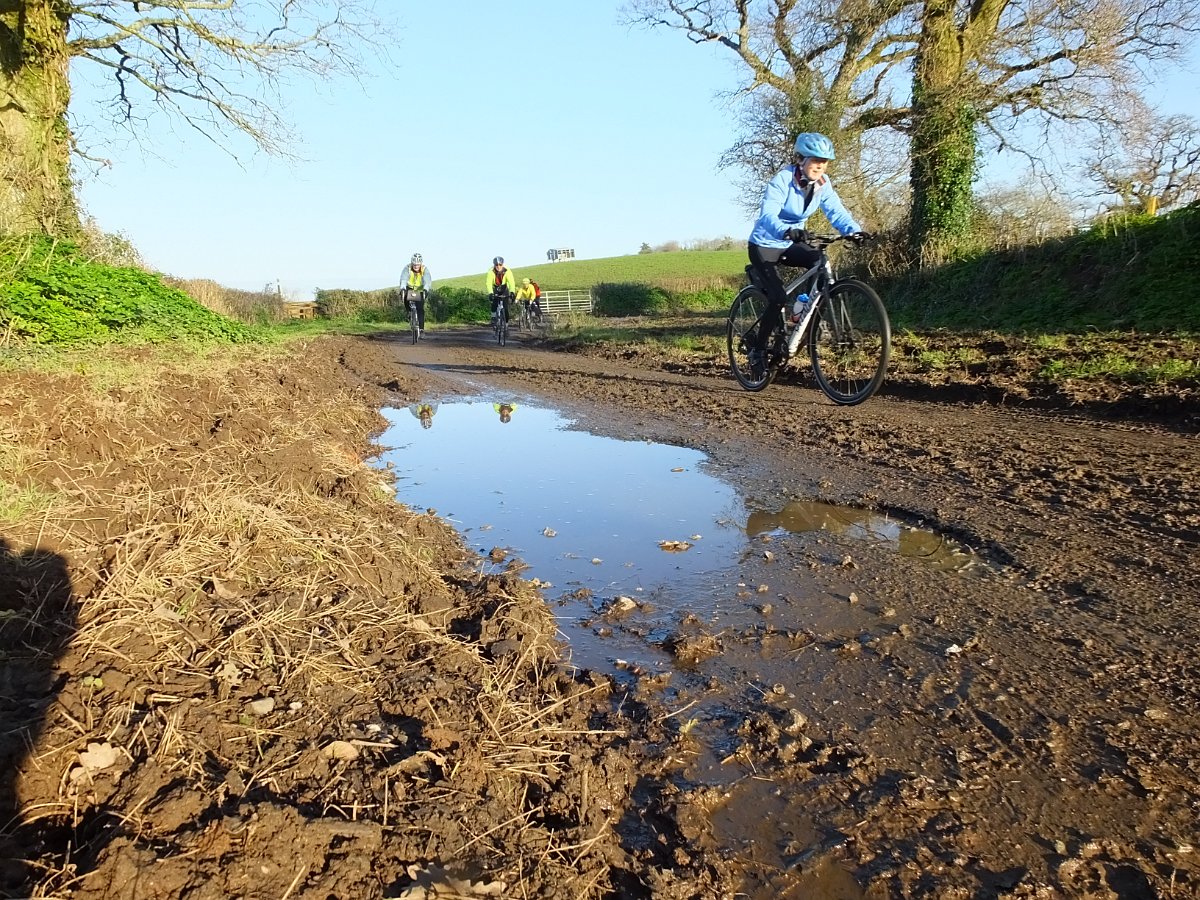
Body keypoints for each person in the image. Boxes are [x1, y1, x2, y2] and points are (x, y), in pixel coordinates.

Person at [746, 132, 870, 370]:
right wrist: (786, 230)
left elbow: (836, 211)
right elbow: (768, 214)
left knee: (818, 260)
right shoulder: (783, 179)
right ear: (800, 159)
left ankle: (803, 311)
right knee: (778, 297)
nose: (820, 165)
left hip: (790, 243)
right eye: (815, 160)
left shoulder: (823, 184)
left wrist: (854, 231)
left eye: (824, 161)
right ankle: (758, 351)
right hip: (765, 244)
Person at [401, 253, 432, 335]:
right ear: (412, 263)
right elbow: (403, 279)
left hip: (420, 289)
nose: (416, 266)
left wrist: (425, 289)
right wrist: (403, 288)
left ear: (420, 264)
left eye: (418, 265)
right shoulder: (407, 268)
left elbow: (427, 281)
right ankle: (409, 312)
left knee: (420, 308)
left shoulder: (424, 269)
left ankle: (421, 330)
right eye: (414, 264)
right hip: (409, 288)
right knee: (404, 296)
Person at [484, 256, 517, 326]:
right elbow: (488, 283)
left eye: (500, 265)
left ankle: (506, 324)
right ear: (494, 265)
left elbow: (511, 282)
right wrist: (490, 293)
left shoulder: (507, 271)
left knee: (505, 307)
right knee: (494, 303)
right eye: (496, 265)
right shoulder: (491, 271)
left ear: (503, 264)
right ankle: (493, 317)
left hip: (504, 288)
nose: (498, 266)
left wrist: (512, 292)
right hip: (495, 287)